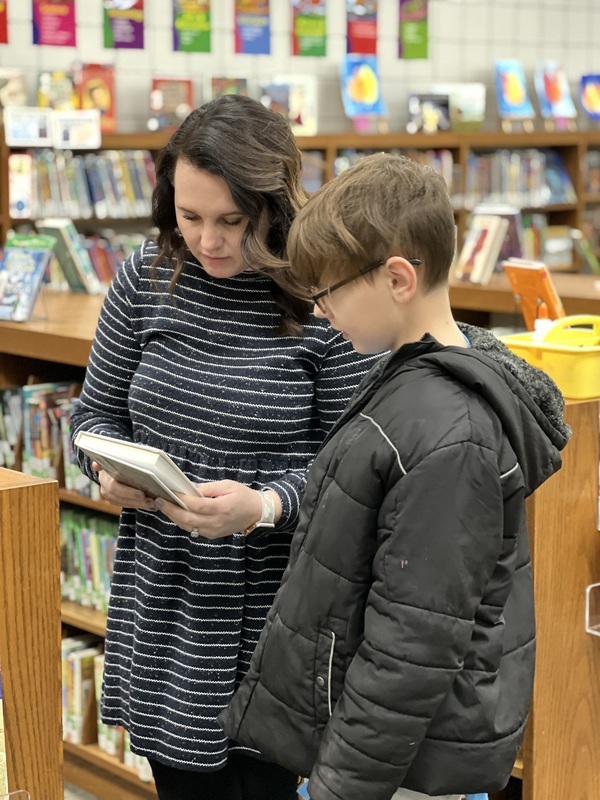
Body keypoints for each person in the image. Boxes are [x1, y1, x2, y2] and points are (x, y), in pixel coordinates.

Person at [219, 153, 571, 800]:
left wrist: (340, 789)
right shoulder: (411, 377)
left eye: (328, 293)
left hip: (405, 769)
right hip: (386, 755)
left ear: (398, 279)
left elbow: (411, 648)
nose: (320, 313)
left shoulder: (448, 432)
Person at [70, 94, 379, 800]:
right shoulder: (147, 274)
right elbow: (91, 417)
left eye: (232, 222)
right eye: (190, 215)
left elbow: (359, 468)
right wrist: (107, 468)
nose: (208, 240)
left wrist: (266, 505)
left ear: (273, 205)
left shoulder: (322, 295)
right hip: (165, 601)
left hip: (277, 614)